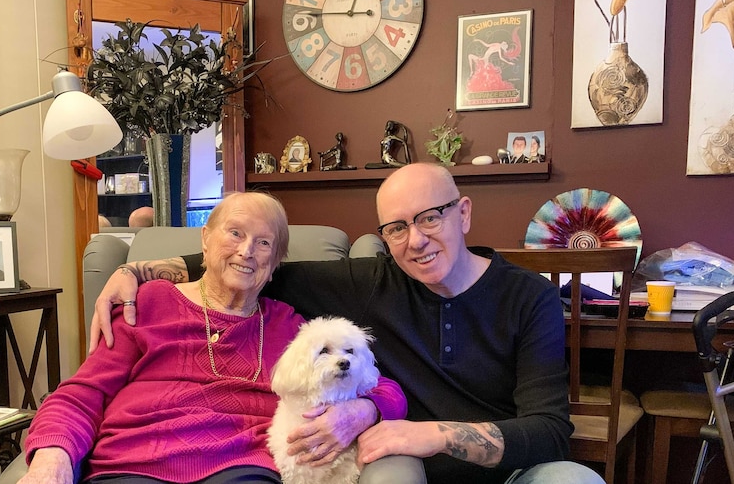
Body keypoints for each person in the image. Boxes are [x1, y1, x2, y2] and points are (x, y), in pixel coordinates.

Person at [91, 163, 604, 484]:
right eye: (396, 228)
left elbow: (551, 431)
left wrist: (434, 435)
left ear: (463, 213)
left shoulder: (528, 296)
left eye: (430, 217)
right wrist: (135, 269)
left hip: (508, 472)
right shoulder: (369, 281)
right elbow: (254, 264)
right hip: (398, 470)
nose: (416, 240)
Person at [21, 192, 408, 484]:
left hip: (241, 469)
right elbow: (82, 393)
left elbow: (381, 385)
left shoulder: (290, 327)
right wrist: (52, 455)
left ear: (274, 264)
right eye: (235, 233)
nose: (246, 251)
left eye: (264, 243)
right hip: (132, 464)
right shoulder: (147, 304)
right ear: (205, 240)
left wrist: (365, 410)